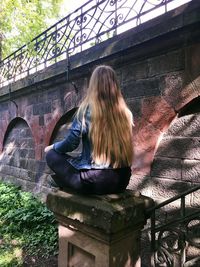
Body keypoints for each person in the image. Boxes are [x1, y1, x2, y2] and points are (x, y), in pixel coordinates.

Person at [45, 65, 134, 195]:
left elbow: (71, 143)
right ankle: (63, 180)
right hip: (122, 180)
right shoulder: (126, 113)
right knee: (76, 162)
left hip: (96, 182)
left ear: (93, 85)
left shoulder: (86, 110)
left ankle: (63, 181)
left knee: (51, 155)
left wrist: (52, 147)